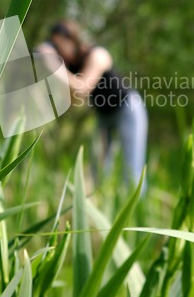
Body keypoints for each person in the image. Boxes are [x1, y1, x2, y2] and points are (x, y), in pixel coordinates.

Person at [36, 20, 148, 187]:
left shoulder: (98, 54)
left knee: (131, 170)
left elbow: (82, 88)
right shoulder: (70, 67)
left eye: (59, 45)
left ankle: (136, 210)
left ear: (72, 40)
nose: (58, 51)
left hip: (128, 109)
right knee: (99, 171)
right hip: (103, 115)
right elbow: (74, 100)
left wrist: (52, 63)